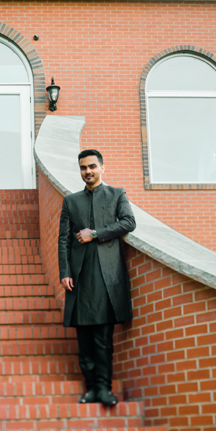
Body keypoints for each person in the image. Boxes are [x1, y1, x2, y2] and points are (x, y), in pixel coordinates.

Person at [58, 150, 136, 407]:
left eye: (92, 166)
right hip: (79, 279)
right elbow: (64, 240)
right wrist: (65, 272)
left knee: (102, 336)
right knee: (84, 337)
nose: (87, 171)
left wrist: (95, 233)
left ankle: (104, 389)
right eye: (83, 168)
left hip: (106, 278)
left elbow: (128, 222)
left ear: (102, 167)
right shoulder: (71, 201)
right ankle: (91, 388)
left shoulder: (117, 194)